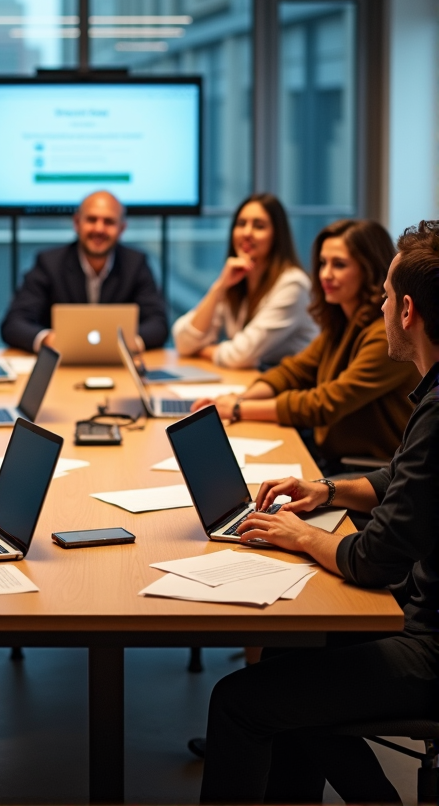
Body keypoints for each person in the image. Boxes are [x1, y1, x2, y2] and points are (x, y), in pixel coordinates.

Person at [197, 219, 439, 805]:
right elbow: (402, 480)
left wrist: (298, 536)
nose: (378, 308)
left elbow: (371, 561)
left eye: (382, 297)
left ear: (406, 310)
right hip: (423, 611)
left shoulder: (436, 414)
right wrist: (328, 493)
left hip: (431, 643)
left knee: (239, 701)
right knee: (287, 652)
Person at [191, 218, 420, 473]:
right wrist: (240, 398)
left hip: (367, 469)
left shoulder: (385, 335)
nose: (325, 274)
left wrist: (237, 408)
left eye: (339, 265)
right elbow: (294, 371)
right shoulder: (343, 322)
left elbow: (325, 403)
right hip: (334, 456)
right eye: (323, 263)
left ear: (369, 270)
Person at [0, 190, 168, 352]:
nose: (99, 229)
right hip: (61, 366)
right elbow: (14, 324)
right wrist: (48, 340)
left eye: (109, 222)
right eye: (91, 220)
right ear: (77, 223)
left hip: (118, 366)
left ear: (122, 228)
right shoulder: (49, 263)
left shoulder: (136, 264)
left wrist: (131, 343)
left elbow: (158, 324)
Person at [172, 194, 317, 368]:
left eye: (259, 226)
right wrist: (219, 287)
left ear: (277, 235)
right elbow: (183, 342)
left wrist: (204, 350)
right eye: (241, 224)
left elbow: (240, 355)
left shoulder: (293, 284)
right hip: (256, 380)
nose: (247, 233)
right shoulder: (237, 278)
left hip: (293, 388)